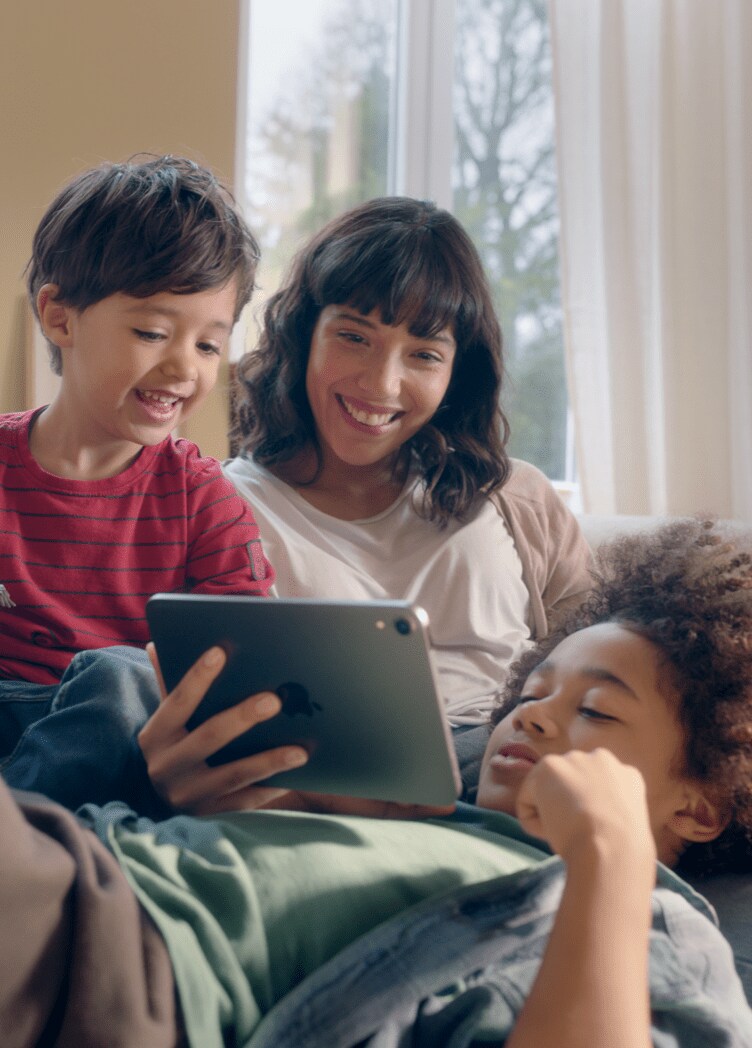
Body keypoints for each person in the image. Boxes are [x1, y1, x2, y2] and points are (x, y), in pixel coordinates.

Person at [3, 518, 751, 1048]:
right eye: (530, 695)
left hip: (116, 953)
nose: (534, 720)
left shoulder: (657, 931)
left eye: (595, 710)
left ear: (701, 806)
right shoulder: (414, 811)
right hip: (80, 853)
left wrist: (610, 863)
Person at [224, 196, 593, 729]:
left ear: (455, 374)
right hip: (330, 780)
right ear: (304, 336)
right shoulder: (226, 506)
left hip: (508, 764)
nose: (381, 385)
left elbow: (601, 664)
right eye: (353, 338)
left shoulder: (517, 498)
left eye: (423, 355)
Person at [0, 155, 285, 813]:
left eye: (210, 346)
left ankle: (24, 841)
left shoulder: (201, 498)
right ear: (60, 318)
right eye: (153, 332)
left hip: (122, 743)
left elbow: (242, 664)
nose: (184, 365)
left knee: (120, 672)